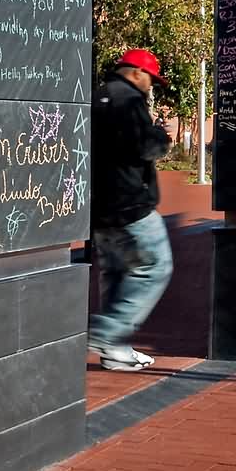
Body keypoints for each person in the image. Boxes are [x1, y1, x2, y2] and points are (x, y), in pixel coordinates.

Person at [86, 50, 174, 372]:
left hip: (99, 208)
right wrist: (161, 138)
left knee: (118, 274)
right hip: (131, 206)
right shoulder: (130, 100)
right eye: (151, 79)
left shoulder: (96, 97)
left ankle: (117, 351)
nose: (151, 86)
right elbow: (143, 147)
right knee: (155, 267)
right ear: (137, 72)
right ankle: (103, 333)